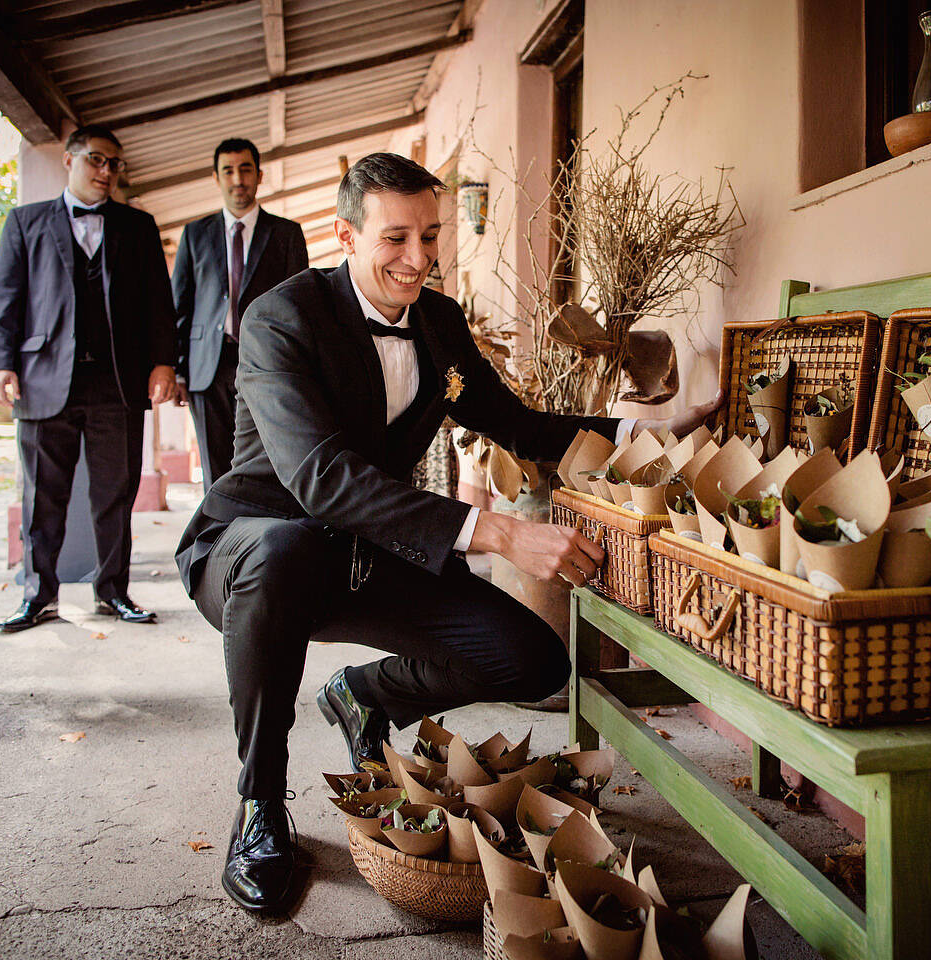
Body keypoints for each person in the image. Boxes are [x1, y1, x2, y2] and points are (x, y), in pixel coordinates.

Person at [175, 152, 720, 914]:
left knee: (533, 659)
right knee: (281, 549)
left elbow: (519, 425)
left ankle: (364, 695)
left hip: (368, 553)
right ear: (345, 236)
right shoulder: (280, 318)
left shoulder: (438, 322)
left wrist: (644, 431)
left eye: (430, 237)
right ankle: (260, 804)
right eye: (396, 238)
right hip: (255, 551)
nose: (418, 258)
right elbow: (320, 478)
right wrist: (493, 532)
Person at [0, 124, 178, 633]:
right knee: (42, 494)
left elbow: (158, 302)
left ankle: (112, 591)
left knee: (115, 492)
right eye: (96, 159)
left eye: (114, 163)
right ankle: (38, 595)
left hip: (117, 381)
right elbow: (6, 297)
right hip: (42, 378)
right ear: (69, 160)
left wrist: (164, 361)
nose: (106, 171)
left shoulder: (138, 226)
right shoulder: (25, 222)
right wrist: (0, 362)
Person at [171, 138, 309, 489]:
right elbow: (180, 307)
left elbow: (299, 307)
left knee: (265, 461)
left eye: (246, 169)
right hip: (207, 367)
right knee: (214, 468)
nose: (238, 179)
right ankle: (217, 527)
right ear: (216, 178)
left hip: (266, 362)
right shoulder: (194, 234)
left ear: (259, 175)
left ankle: (257, 524)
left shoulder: (286, 233)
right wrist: (178, 370)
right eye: (228, 171)